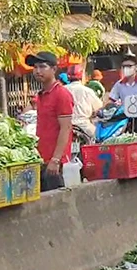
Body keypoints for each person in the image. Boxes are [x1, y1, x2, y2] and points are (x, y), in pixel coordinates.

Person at [26, 51, 74, 191]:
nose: (37, 71)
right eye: (35, 67)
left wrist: (55, 160)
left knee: (57, 205)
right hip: (42, 159)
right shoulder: (40, 95)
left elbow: (66, 128)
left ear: (54, 69)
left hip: (55, 163)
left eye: (42, 67)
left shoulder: (61, 94)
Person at [64, 64, 102, 141]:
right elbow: (99, 107)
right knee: (99, 139)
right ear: (81, 76)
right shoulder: (87, 91)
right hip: (84, 125)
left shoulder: (62, 90)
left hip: (64, 126)